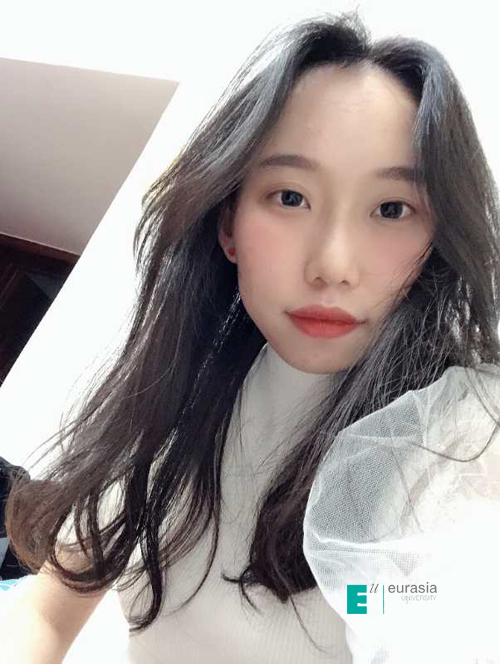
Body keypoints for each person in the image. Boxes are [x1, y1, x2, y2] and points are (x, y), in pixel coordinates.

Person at [2, 8, 500, 663]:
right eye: (290, 197)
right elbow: (48, 605)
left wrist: (378, 600)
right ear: (228, 224)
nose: (333, 265)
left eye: (391, 208)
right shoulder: (177, 394)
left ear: (436, 239)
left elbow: (428, 606)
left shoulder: (461, 441)